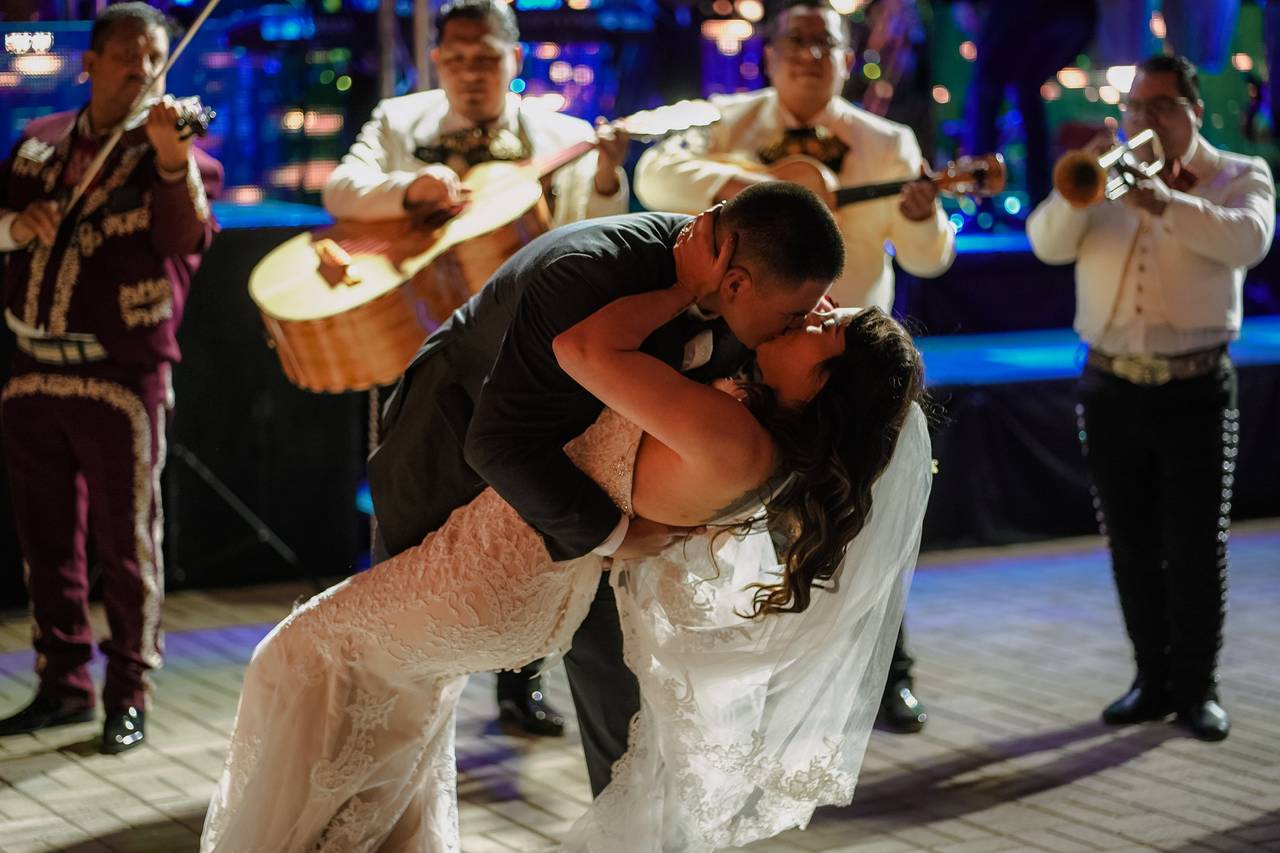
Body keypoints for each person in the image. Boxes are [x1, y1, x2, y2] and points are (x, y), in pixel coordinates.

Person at [200, 188, 932, 850]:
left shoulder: (739, 409)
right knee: (387, 700)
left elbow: (588, 361)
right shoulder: (606, 282)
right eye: (806, 312)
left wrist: (613, 529)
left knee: (310, 666)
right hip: (462, 469)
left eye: (821, 323)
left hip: (516, 558)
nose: (810, 315)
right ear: (738, 282)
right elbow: (500, 433)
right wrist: (618, 530)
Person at [634, 0, 953, 731]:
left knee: (862, 520)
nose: (811, 54)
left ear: (847, 58)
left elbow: (933, 256)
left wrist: (918, 213)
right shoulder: (732, 121)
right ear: (770, 55)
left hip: (847, 374)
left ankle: (887, 672)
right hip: (759, 356)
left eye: (826, 43)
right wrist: (750, 187)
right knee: (755, 521)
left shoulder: (889, 139)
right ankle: (775, 661)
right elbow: (654, 175)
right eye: (797, 41)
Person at [322, 0, 629, 736]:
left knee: (527, 519)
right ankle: (401, 691)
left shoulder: (565, 136)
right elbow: (339, 189)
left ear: (515, 59)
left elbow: (597, 227)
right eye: (455, 58)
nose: (469, 72)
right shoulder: (401, 123)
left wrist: (611, 175)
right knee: (413, 513)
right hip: (420, 351)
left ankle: (521, 684)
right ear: (436, 62)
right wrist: (411, 190)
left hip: (526, 363)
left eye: (485, 56)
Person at [1026, 55, 1274, 742]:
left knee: (1195, 546)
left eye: (1160, 106)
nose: (1144, 119)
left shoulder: (1239, 175)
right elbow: (1046, 244)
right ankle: (1151, 678)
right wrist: (1085, 184)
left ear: (1194, 111)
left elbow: (1248, 241)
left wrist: (1164, 203)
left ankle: (1199, 688)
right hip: (1108, 384)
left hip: (1196, 384)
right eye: (1136, 106)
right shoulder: (1102, 175)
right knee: (1130, 544)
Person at [0, 2, 222, 753]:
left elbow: (183, 234)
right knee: (46, 538)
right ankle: (64, 683)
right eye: (126, 55)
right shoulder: (37, 143)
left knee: (127, 542)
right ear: (88, 64)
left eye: (154, 56)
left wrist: (169, 158)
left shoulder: (181, 151)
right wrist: (13, 228)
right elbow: (2, 215)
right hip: (31, 366)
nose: (141, 69)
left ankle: (130, 689)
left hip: (119, 375)